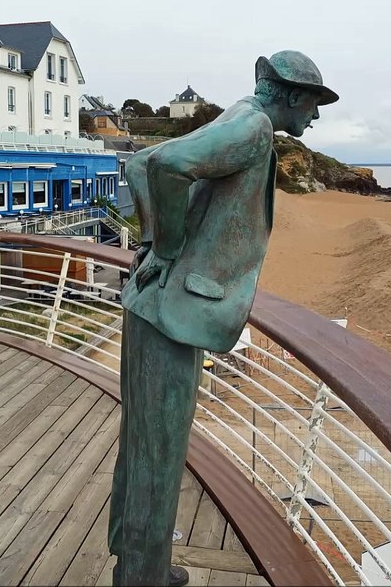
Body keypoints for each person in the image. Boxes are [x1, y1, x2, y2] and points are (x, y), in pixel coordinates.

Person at [108, 50, 339, 586]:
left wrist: (151, 243)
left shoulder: (238, 115)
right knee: (159, 451)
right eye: (315, 103)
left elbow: (141, 163)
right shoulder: (255, 127)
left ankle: (140, 567)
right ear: (292, 96)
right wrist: (164, 249)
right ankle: (143, 578)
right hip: (170, 316)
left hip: (157, 309)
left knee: (145, 445)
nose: (317, 116)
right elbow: (164, 165)